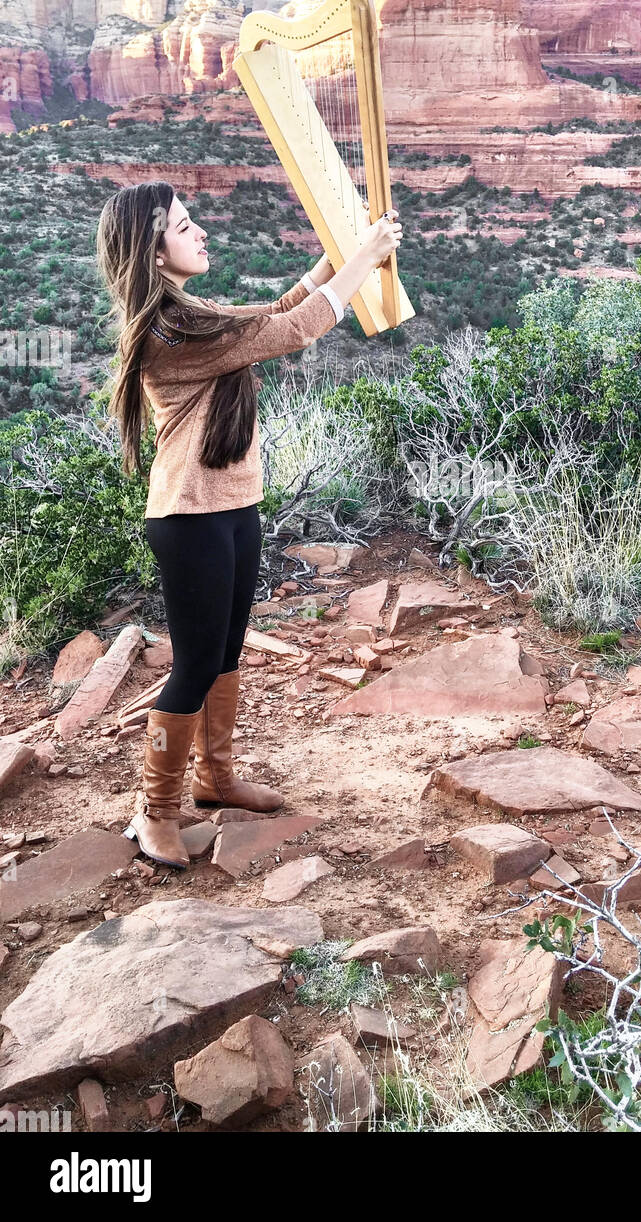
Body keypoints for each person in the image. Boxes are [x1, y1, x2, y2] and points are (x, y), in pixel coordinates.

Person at [97, 181, 401, 869]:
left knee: (227, 651)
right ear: (152, 250)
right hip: (190, 515)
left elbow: (277, 312)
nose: (199, 231)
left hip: (233, 506)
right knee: (196, 663)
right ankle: (155, 812)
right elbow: (296, 330)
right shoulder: (168, 329)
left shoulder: (194, 314)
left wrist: (338, 255)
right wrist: (367, 257)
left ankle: (215, 778)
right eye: (183, 226)